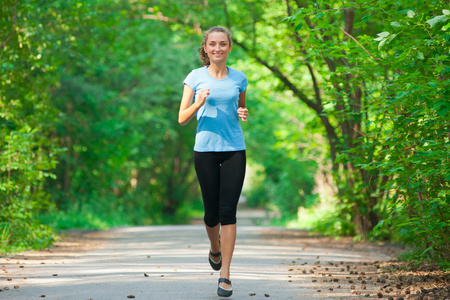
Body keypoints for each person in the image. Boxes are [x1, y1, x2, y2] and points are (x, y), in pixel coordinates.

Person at [178, 26, 248, 297]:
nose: (217, 48)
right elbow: (182, 118)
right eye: (212, 44)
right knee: (211, 214)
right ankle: (215, 248)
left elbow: (240, 107)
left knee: (228, 212)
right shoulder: (194, 77)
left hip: (234, 149)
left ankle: (225, 275)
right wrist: (199, 102)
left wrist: (243, 112)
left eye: (222, 44)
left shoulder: (239, 78)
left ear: (229, 47)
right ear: (205, 49)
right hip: (205, 150)